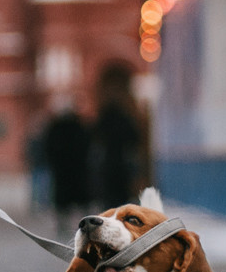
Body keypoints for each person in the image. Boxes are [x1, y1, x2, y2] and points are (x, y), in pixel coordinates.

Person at [88, 60, 146, 208]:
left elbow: (95, 141)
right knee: (122, 201)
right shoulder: (126, 117)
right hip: (121, 167)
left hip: (109, 167)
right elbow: (134, 141)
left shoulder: (104, 118)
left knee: (110, 202)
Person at [38, 96, 93, 233]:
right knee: (80, 199)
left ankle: (64, 224)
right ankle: (86, 223)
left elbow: (48, 147)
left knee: (64, 199)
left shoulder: (56, 128)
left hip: (63, 170)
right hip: (76, 169)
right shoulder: (78, 126)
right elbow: (87, 145)